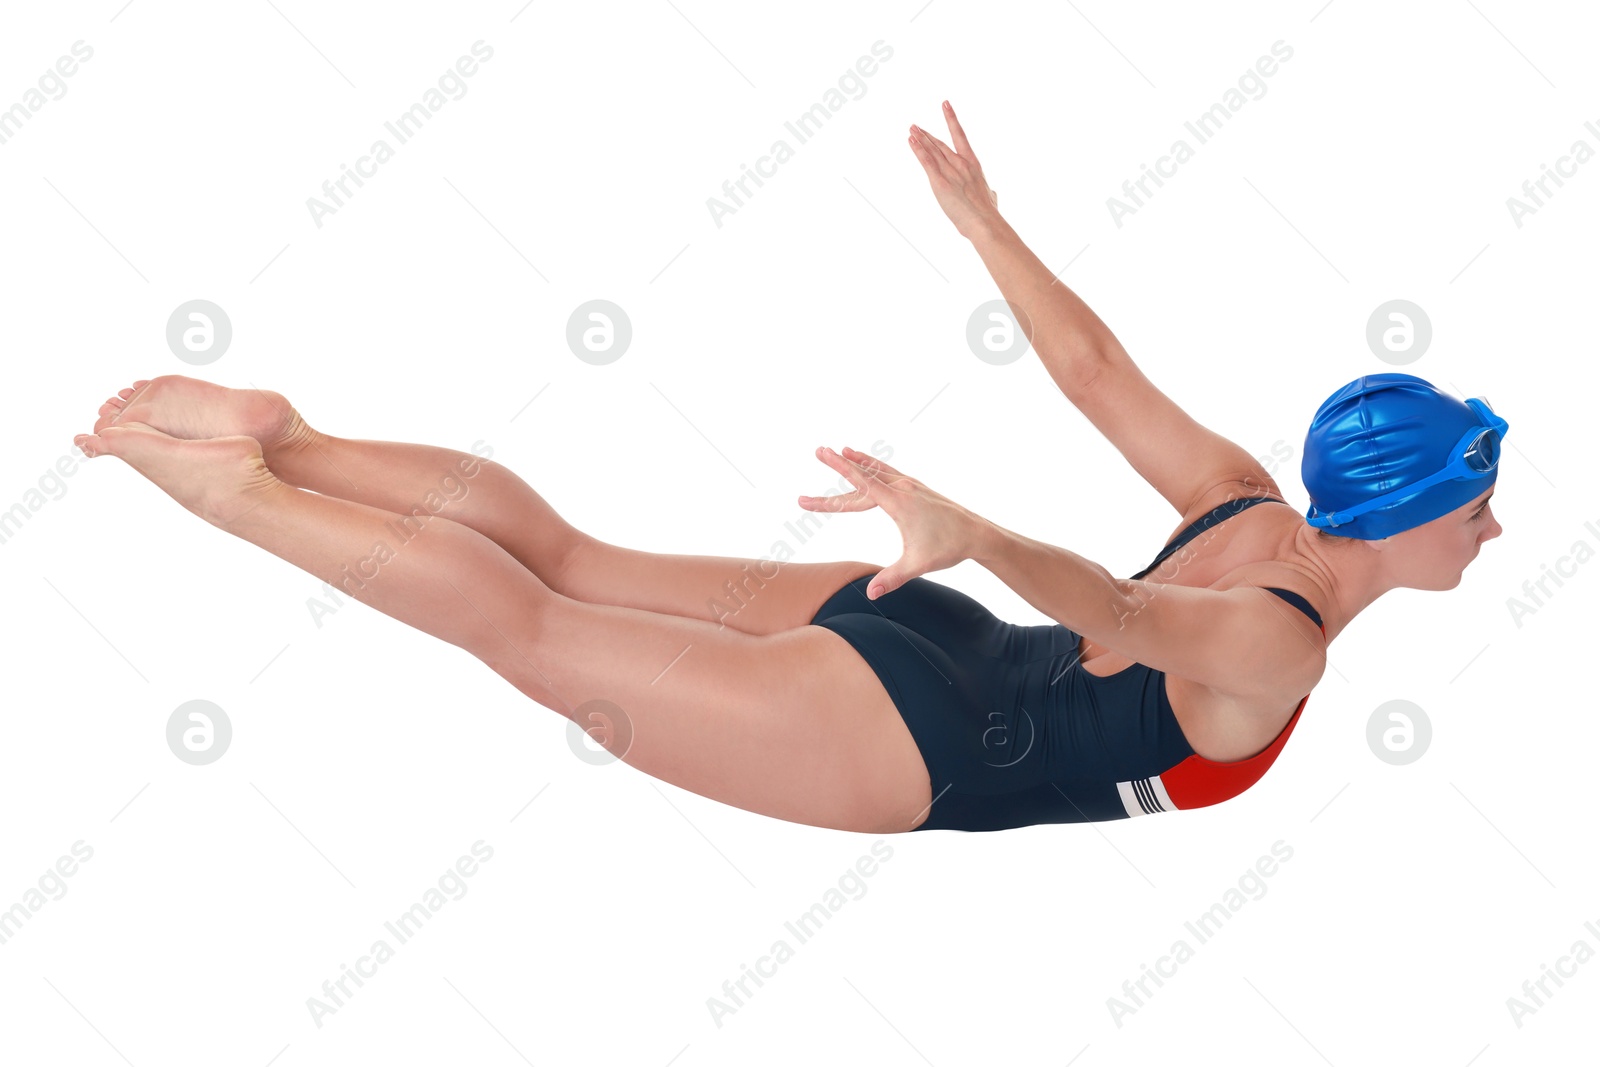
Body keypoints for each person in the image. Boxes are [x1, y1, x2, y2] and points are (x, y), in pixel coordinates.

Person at [71, 102, 1507, 835]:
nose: (1496, 529)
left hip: (927, 632)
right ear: (1420, 503)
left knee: (568, 563)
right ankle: (242, 492)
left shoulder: (1245, 500)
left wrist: (984, 227)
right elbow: (1120, 625)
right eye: (1481, 495)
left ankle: (296, 435)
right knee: (535, 625)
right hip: (921, 738)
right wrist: (977, 529)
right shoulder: (1284, 643)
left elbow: (1095, 375)